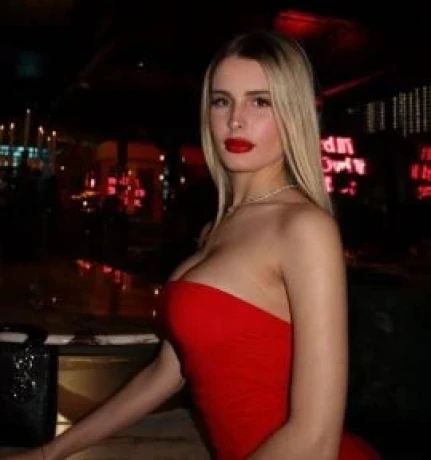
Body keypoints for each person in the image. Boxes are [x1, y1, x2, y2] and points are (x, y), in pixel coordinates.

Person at [3, 29, 381, 460]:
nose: (235, 119)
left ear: (293, 113)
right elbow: (166, 372)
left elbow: (315, 440)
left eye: (260, 101)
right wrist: (51, 453)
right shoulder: (219, 226)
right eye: (222, 101)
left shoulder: (304, 227)